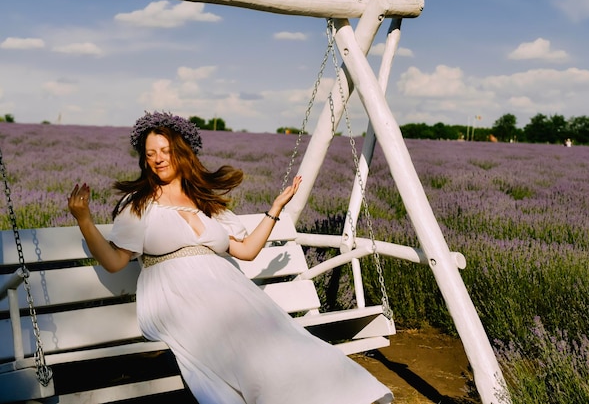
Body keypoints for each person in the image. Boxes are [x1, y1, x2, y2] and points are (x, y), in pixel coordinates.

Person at [68, 111, 393, 404]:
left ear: (181, 152)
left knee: (275, 335)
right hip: (173, 295)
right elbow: (114, 262)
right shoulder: (138, 203)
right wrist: (84, 219)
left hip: (224, 288)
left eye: (165, 151)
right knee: (235, 339)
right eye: (150, 153)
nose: (158, 159)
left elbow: (247, 250)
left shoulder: (206, 202)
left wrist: (275, 209)